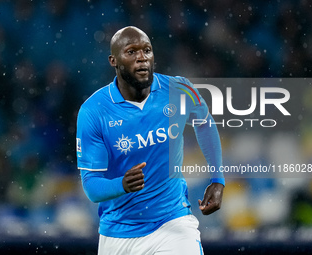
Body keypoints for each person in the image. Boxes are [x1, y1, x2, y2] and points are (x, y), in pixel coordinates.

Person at [76, 26, 225, 255]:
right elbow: (91, 186)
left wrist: (217, 178)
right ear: (113, 61)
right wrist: (121, 185)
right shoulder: (94, 112)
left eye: (147, 50)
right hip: (119, 232)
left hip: (173, 223)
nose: (142, 58)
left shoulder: (179, 88)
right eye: (132, 52)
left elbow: (204, 122)